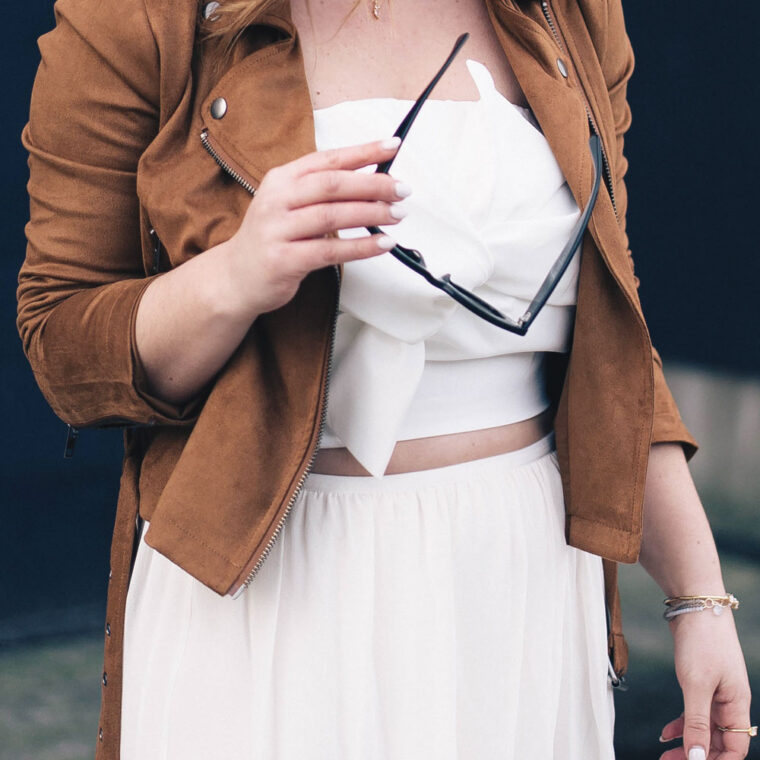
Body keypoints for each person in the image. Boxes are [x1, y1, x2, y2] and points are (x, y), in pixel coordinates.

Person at [17, 0, 753, 758]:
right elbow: (64, 347)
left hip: (521, 581)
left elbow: (615, 340)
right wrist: (235, 277)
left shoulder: (571, 12)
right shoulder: (139, 18)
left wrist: (698, 599)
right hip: (268, 586)